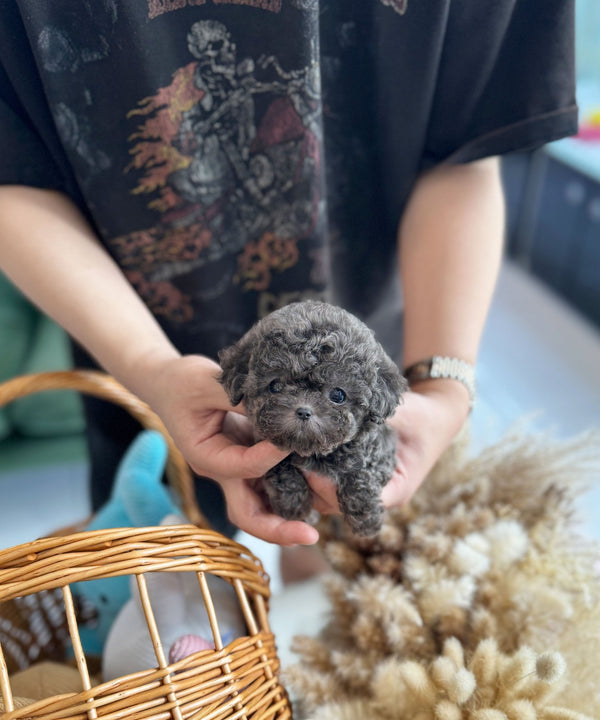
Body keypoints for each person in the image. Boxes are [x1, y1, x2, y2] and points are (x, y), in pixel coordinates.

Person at [0, 1, 577, 548]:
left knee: (343, 551)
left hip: (384, 339)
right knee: (165, 554)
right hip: (129, 347)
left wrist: (444, 385)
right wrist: (150, 368)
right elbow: (13, 172)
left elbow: (467, 146)